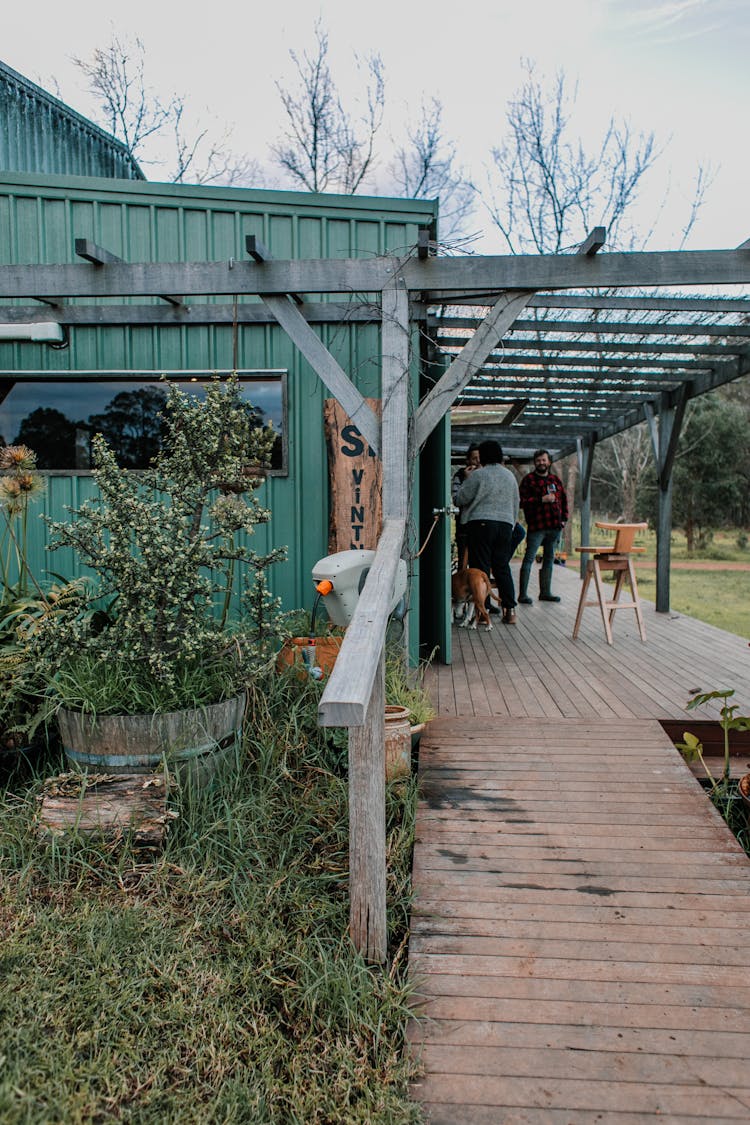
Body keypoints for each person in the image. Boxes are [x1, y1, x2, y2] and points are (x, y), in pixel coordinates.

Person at [456, 439, 519, 624]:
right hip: (505, 525)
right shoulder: (510, 476)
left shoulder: (478, 475)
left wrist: (467, 481)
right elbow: (516, 504)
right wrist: (510, 525)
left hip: (481, 524)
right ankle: (510, 611)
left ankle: (483, 614)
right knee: (502, 567)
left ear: (482, 456)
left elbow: (460, 499)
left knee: (480, 569)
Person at [518, 448, 569, 604]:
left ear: (549, 462)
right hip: (537, 527)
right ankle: (523, 595)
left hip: (554, 526)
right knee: (529, 559)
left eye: (544, 460)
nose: (541, 463)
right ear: (535, 462)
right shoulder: (528, 480)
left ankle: (545, 592)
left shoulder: (555, 480)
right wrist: (541, 499)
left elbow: (564, 501)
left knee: (549, 559)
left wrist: (564, 519)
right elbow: (521, 502)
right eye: (538, 460)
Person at [451, 445, 480, 570]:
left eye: (480, 458)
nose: (478, 461)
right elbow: (457, 500)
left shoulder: (487, 475)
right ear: (468, 461)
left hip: (482, 524)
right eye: (474, 458)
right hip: (465, 525)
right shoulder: (460, 475)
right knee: (463, 558)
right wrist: (468, 480)